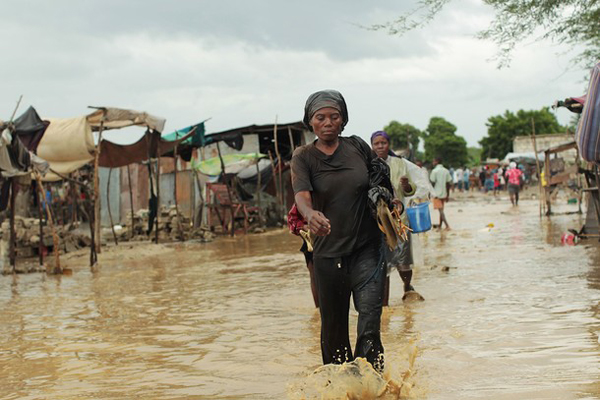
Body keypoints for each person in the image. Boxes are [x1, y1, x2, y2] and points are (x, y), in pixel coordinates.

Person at [291, 89, 386, 372]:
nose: (328, 122)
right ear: (311, 122)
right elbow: (302, 194)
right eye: (321, 117)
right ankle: (340, 385)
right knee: (334, 333)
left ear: (343, 121)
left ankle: (371, 383)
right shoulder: (303, 157)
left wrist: (388, 202)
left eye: (335, 117)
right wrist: (309, 215)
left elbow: (380, 178)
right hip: (328, 254)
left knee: (369, 322)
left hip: (367, 247)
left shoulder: (357, 146)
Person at [370, 131, 424, 304]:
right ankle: (383, 305)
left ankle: (407, 286)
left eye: (383, 143)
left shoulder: (400, 164)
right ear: (372, 145)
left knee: (403, 261)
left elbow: (412, 189)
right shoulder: (368, 164)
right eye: (376, 143)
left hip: (400, 219)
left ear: (388, 144)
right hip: (379, 220)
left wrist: (407, 186)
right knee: (382, 262)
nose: (380, 146)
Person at [430, 157, 452, 230]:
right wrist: (448, 195)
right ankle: (440, 226)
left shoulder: (434, 171)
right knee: (441, 210)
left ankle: (447, 225)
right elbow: (448, 183)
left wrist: (430, 192)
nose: (433, 163)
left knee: (441, 211)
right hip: (444, 194)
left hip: (436, 194)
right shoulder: (446, 171)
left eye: (433, 161)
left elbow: (432, 182)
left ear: (436, 162)